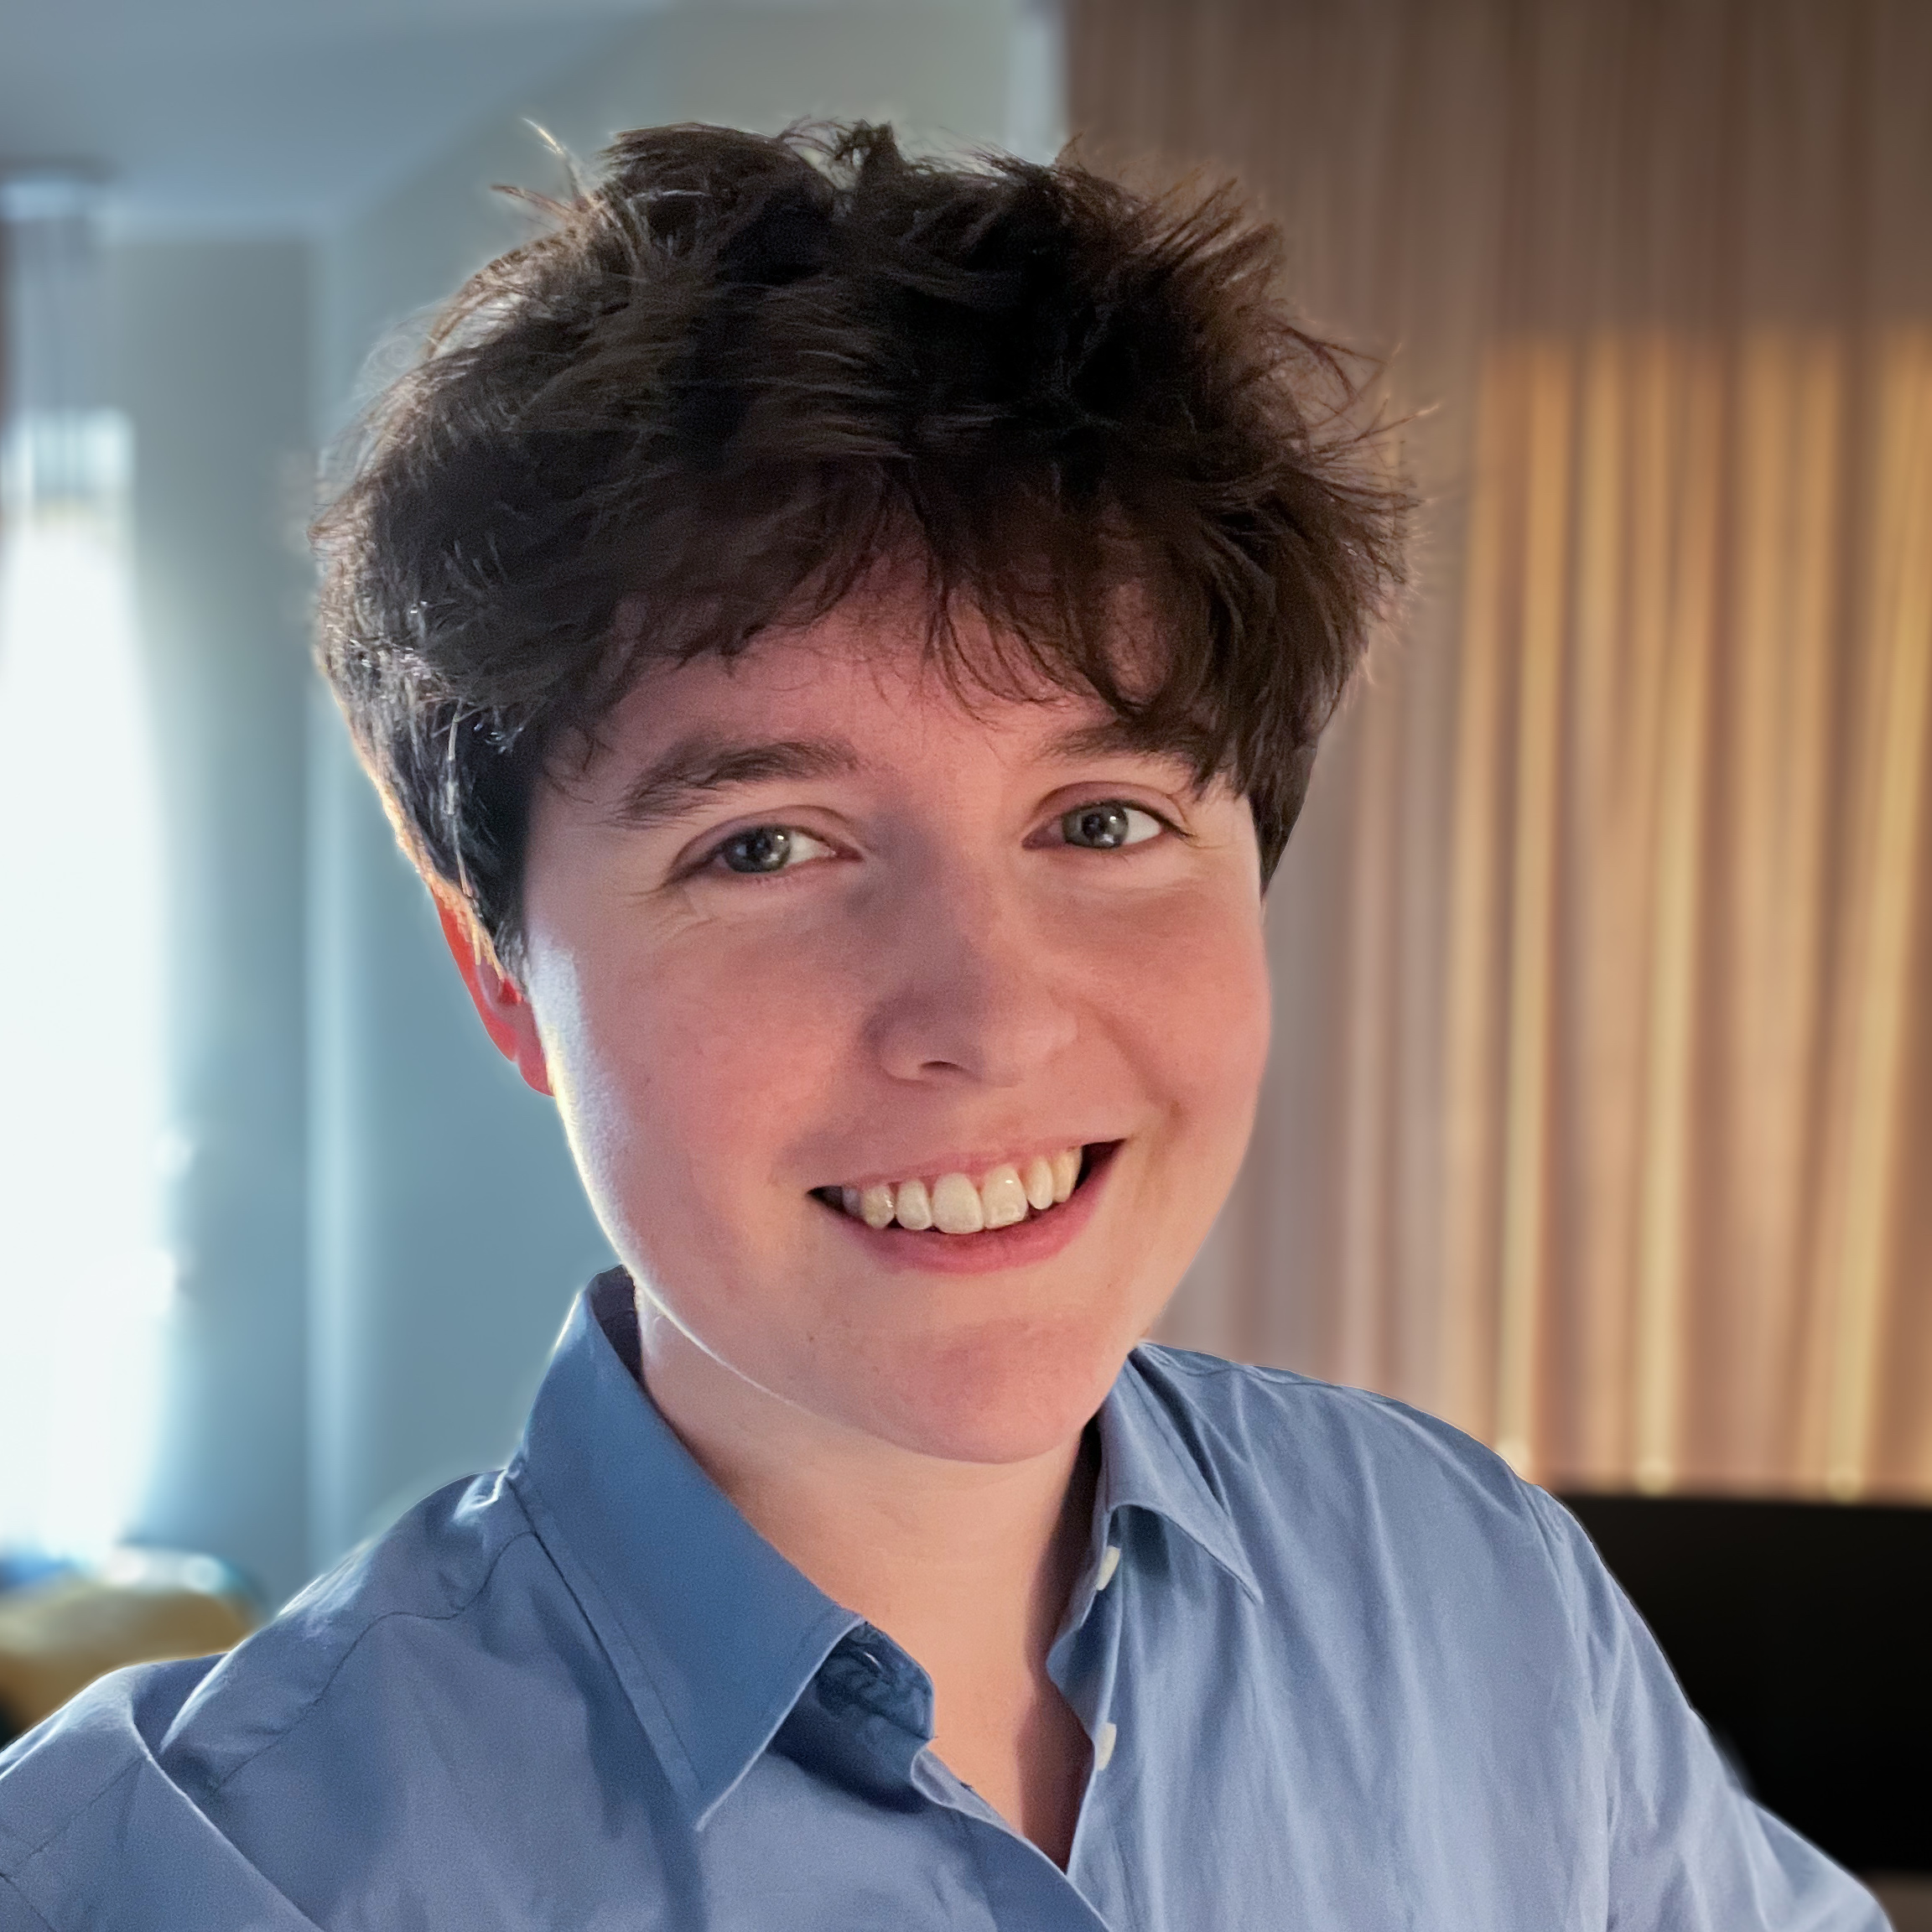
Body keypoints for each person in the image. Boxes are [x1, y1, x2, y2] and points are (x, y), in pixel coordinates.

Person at [0, 123, 1883, 1931]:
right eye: (767, 846)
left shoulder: (1471, 1581)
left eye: (1103, 821)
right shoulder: (186, 1872)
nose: (984, 1017)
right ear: (507, 983)